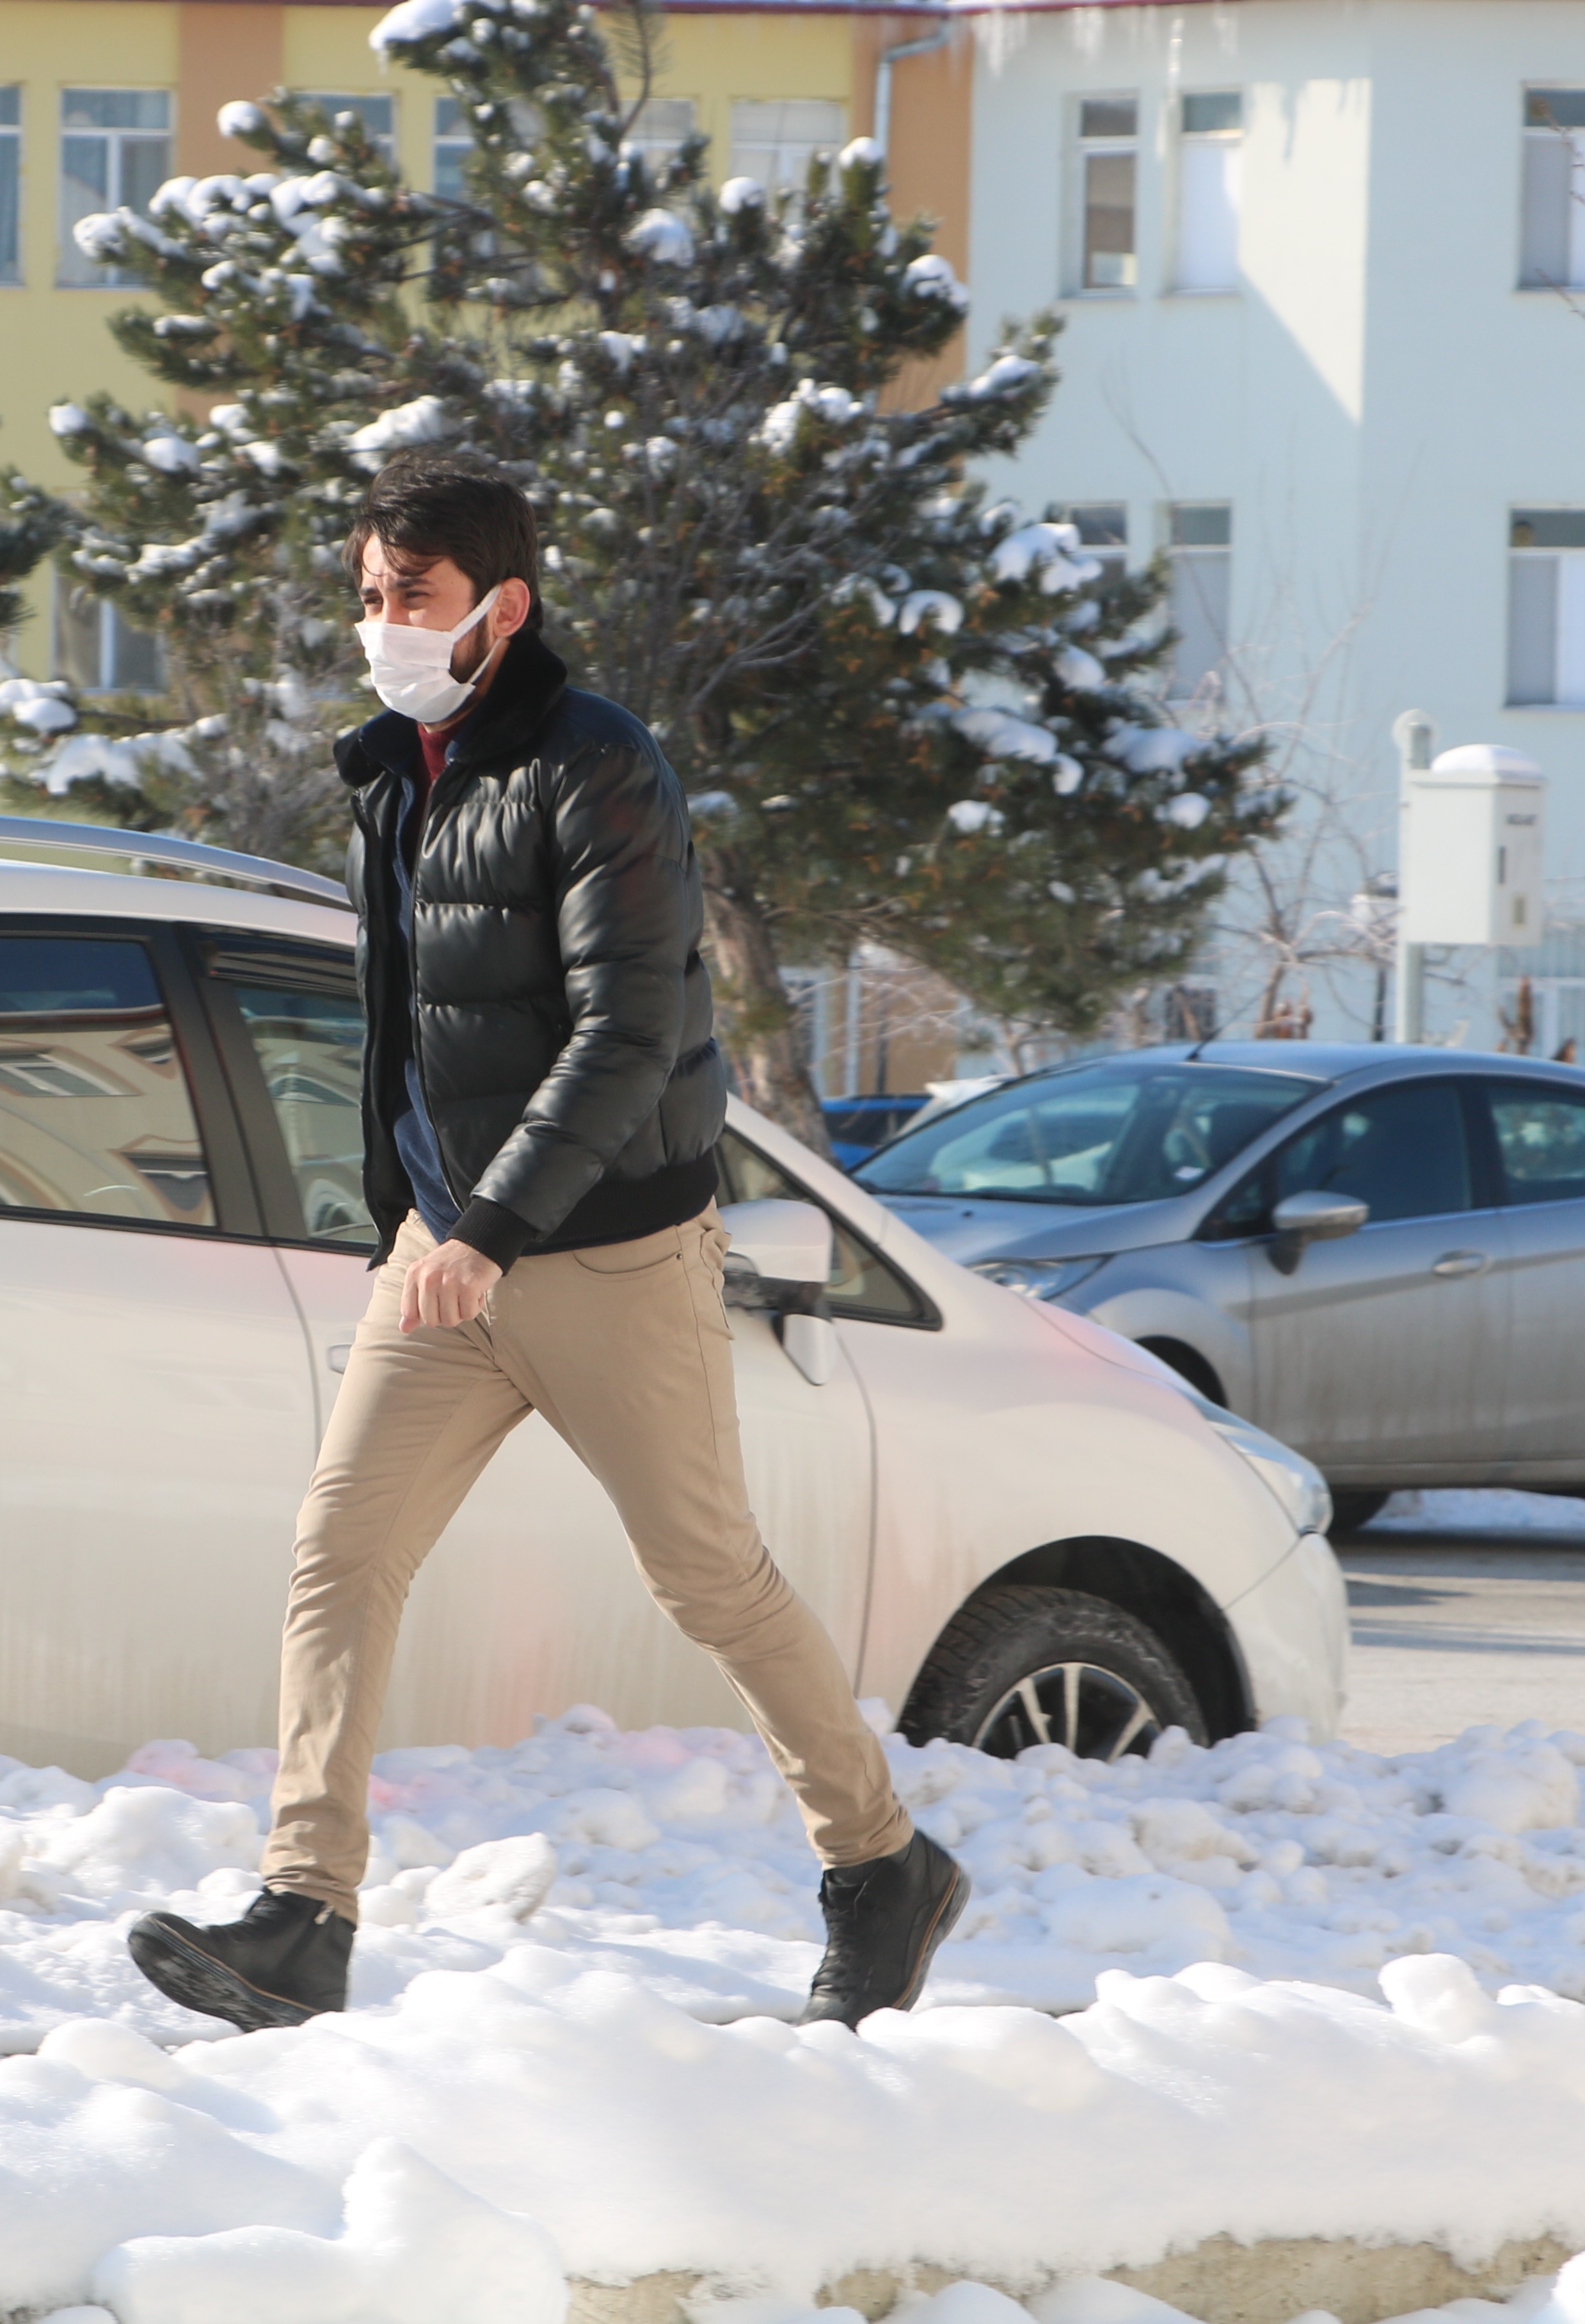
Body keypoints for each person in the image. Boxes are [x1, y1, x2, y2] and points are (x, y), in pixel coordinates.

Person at [127, 452, 966, 2032]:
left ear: (500, 608)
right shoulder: (396, 767)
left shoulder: (601, 766)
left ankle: (882, 1862)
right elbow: (412, 1025)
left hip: (606, 1252)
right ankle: (305, 1912)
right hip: (444, 1256)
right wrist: (415, 1215)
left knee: (708, 1575)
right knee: (339, 1553)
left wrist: (495, 1225)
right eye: (369, 593)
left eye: (414, 597)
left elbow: (629, 1028)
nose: (380, 623)